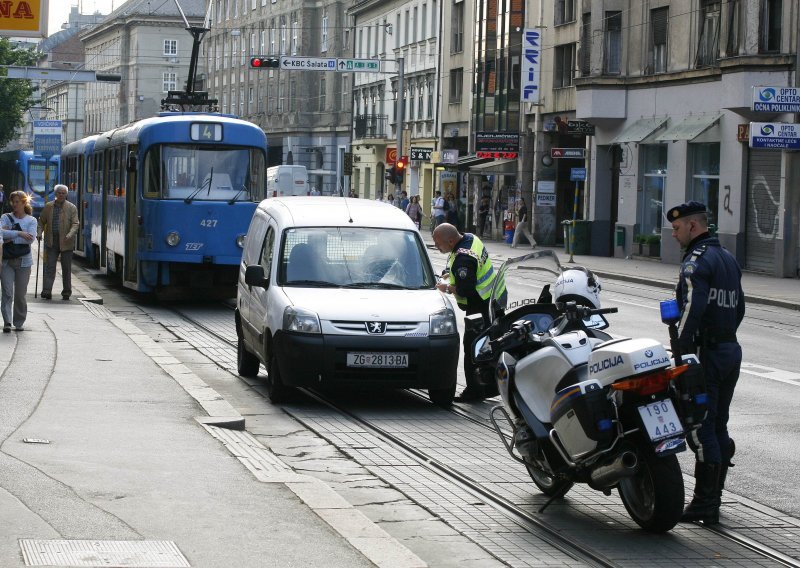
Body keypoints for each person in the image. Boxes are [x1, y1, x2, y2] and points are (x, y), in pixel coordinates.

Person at [667, 200, 745, 525]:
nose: (674, 235)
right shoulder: (727, 258)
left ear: (693, 226)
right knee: (719, 423)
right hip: (730, 349)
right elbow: (739, 307)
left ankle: (704, 503)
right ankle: (715, 497)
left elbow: (691, 310)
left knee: (700, 427)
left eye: (676, 228)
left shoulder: (696, 262)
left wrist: (680, 353)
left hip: (708, 355)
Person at [432, 223, 507, 402]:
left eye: (438, 243)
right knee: (487, 346)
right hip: (493, 300)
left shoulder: (464, 260)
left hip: (481, 306)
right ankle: (488, 387)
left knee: (473, 349)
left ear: (450, 241)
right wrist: (448, 273)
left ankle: (475, 392)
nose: (436, 247)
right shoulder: (470, 239)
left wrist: (447, 287)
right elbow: (456, 265)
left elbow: (465, 289)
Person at [1, 191, 37, 332]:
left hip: (24, 261)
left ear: (24, 203)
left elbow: (31, 239)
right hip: (7, 261)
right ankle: (7, 322)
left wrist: (8, 235)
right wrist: (19, 233)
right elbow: (0, 234)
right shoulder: (5, 217)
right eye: (13, 202)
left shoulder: (31, 220)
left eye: (17, 202)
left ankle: (19, 322)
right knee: (7, 292)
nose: (15, 204)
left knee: (20, 294)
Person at [38, 184, 79, 301]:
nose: (61, 195)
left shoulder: (72, 207)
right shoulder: (48, 207)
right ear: (55, 194)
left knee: (66, 268)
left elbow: (75, 224)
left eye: (63, 193)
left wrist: (70, 234)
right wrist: (39, 233)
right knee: (50, 267)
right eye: (59, 193)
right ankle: (46, 291)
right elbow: (41, 221)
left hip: (67, 242)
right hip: (52, 241)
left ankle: (66, 292)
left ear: (66, 195)